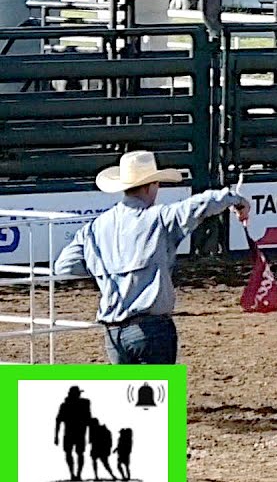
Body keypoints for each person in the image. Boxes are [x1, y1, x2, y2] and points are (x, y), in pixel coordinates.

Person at [53, 150, 250, 364]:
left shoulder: (94, 228)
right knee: (157, 395)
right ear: (151, 186)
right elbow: (200, 205)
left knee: (124, 395)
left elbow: (64, 267)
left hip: (114, 332)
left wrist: (107, 268)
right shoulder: (159, 219)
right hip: (152, 328)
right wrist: (236, 199)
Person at [54, 386, 91, 481]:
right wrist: (56, 436)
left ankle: (77, 474)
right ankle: (74, 474)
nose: (79, 394)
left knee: (77, 453)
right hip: (73, 433)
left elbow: (88, 419)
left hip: (77, 433)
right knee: (72, 453)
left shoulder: (84, 403)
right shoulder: (66, 405)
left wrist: (56, 436)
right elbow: (58, 420)